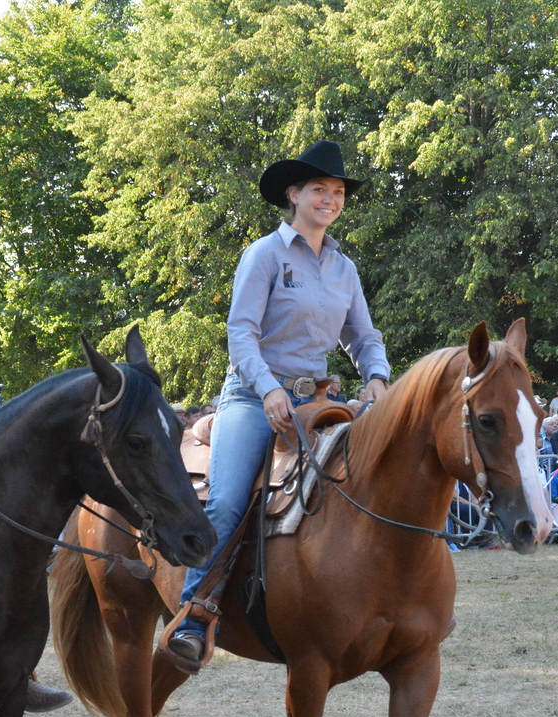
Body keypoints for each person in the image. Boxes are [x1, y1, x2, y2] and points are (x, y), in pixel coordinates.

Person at [161, 141, 391, 674]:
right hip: (252, 394)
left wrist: (378, 378)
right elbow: (241, 333)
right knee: (227, 501)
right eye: (319, 190)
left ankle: (389, 601)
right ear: (294, 194)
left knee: (375, 479)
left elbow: (363, 336)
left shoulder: (344, 268)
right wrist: (267, 389)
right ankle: (194, 615)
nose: (330, 199)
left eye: (338, 192)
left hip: (320, 399)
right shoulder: (264, 254)